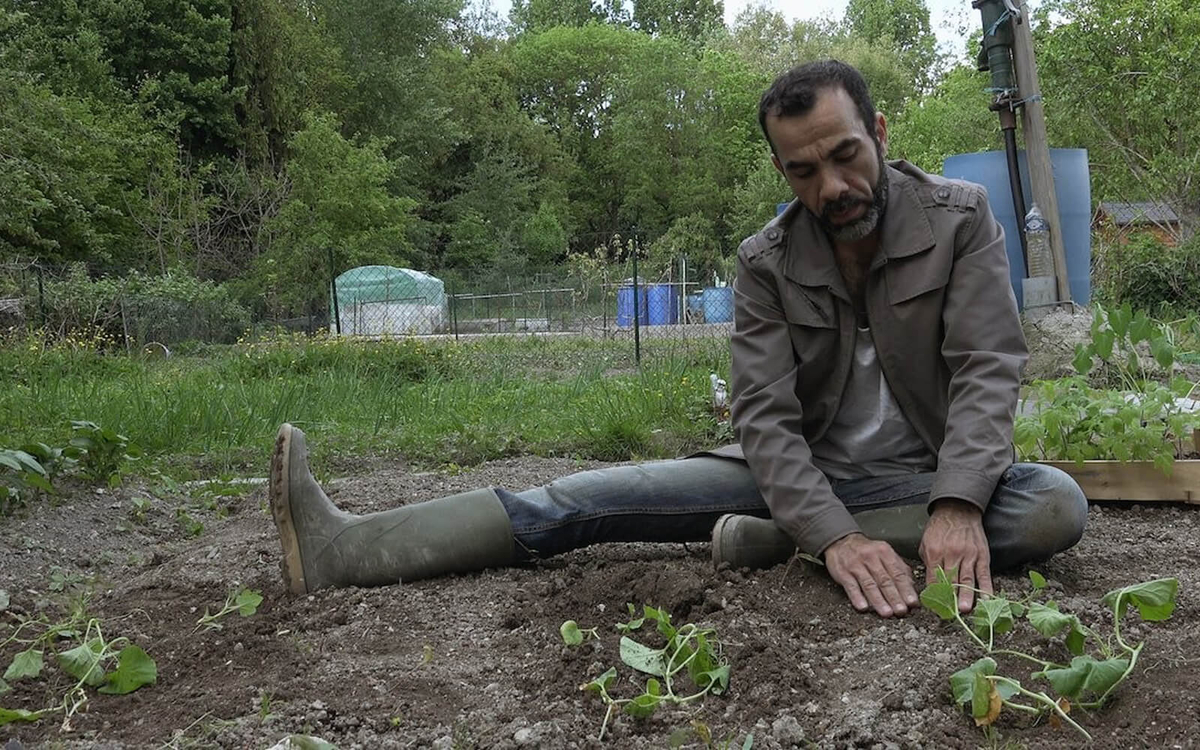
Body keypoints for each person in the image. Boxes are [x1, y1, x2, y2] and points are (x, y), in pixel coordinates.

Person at [268, 60, 1087, 618]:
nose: (833, 187)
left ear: (877, 129)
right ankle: (346, 548)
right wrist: (831, 531)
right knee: (580, 500)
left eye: (845, 156)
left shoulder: (960, 218)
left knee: (1051, 504)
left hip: (923, 478)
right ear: (781, 170)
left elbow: (988, 366)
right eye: (804, 171)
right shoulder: (765, 262)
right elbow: (764, 419)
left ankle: (774, 548)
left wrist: (952, 504)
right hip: (790, 481)